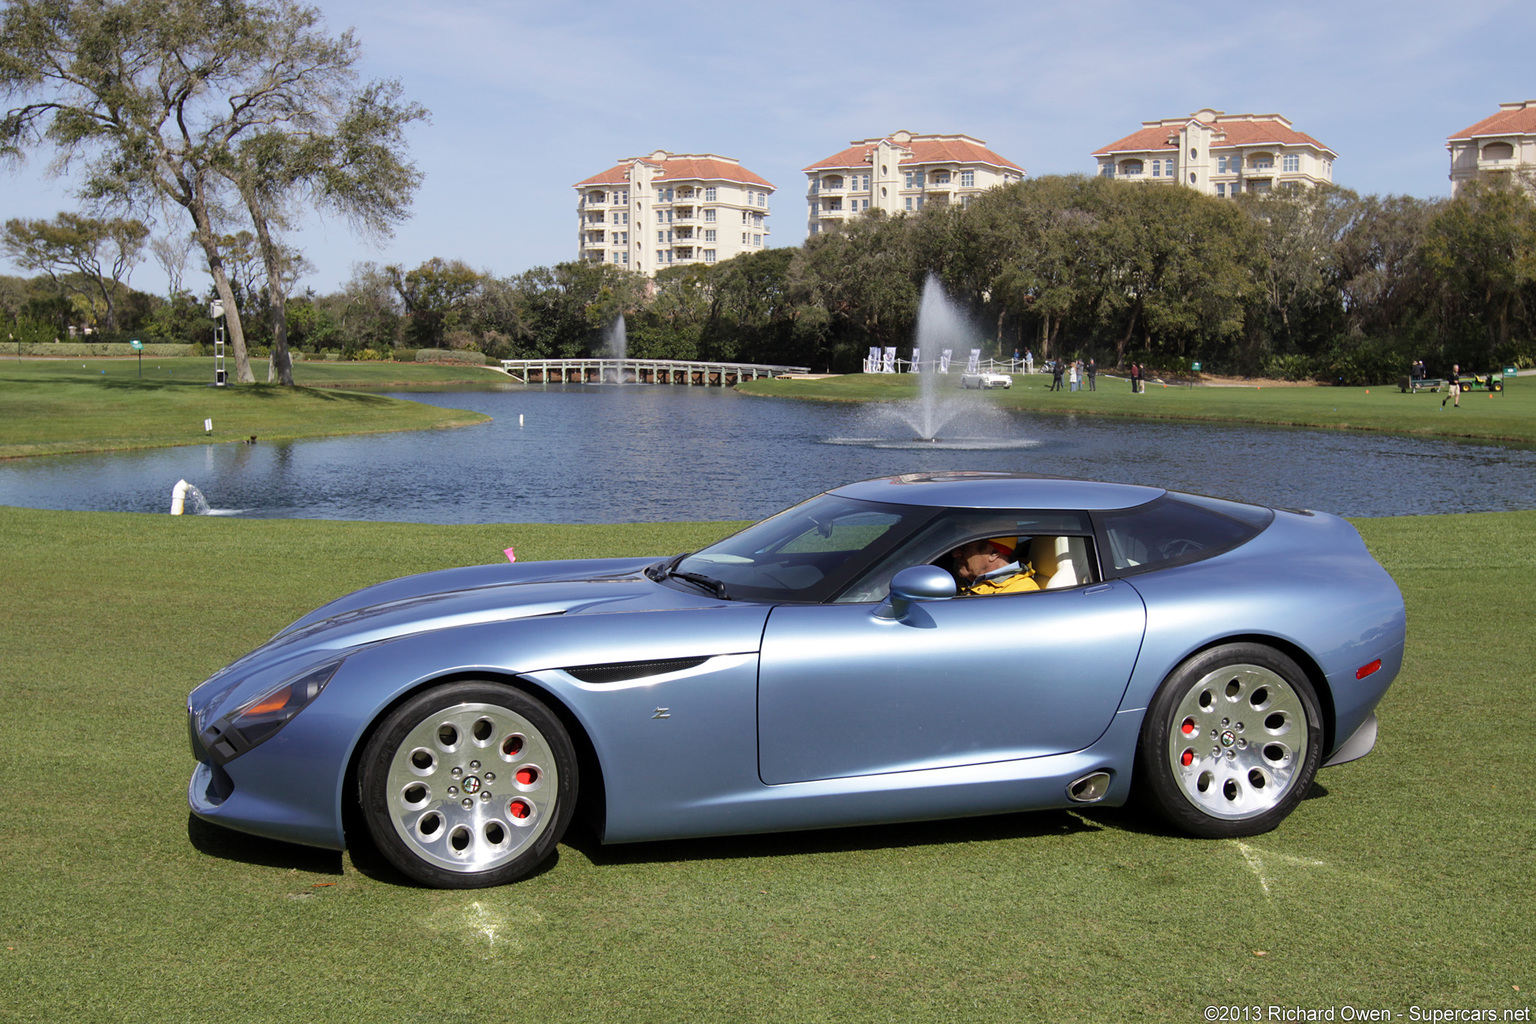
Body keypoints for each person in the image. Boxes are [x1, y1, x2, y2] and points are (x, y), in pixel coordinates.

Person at [951, 538, 1038, 596]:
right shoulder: (964, 581)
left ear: (994, 553)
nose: (955, 554)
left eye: (963, 548)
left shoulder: (1020, 592)